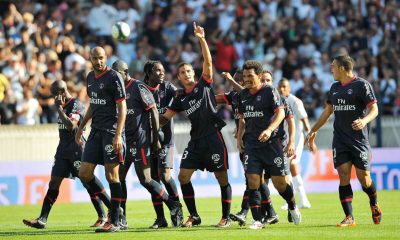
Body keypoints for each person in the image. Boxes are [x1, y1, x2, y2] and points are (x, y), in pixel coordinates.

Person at [160, 22, 232, 228]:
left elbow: (208, 62)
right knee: (183, 177)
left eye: (189, 70)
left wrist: (201, 39)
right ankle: (194, 216)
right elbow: (165, 117)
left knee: (222, 178)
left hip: (213, 137)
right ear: (179, 77)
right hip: (196, 141)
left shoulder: (204, 85)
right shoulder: (179, 97)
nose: (186, 74)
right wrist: (146, 120)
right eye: (182, 72)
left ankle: (225, 217)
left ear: (194, 72)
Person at [23, 80, 111, 229]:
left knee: (88, 182)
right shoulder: (63, 107)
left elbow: (71, 126)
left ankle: (114, 209)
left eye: (53, 95)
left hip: (77, 150)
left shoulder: (76, 105)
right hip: (62, 151)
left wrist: (58, 108)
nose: (53, 99)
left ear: (61, 93)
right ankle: (42, 219)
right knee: (54, 183)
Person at [305, 55, 382, 227]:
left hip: (359, 139)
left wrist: (364, 121)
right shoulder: (334, 88)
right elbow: (327, 112)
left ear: (341, 68)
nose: (330, 69)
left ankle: (374, 202)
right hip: (340, 139)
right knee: (343, 175)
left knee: (365, 179)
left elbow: (374, 109)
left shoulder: (362, 85)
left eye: (332, 66)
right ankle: (349, 217)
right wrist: (312, 130)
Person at [111, 60, 183, 229]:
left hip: (145, 141)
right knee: (118, 179)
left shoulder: (141, 87)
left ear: (125, 71)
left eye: (117, 73)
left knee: (151, 179)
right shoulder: (118, 89)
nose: (114, 77)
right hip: (124, 141)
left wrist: (156, 139)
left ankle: (174, 205)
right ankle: (122, 217)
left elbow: (153, 111)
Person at [237, 60, 301, 230]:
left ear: (259, 76)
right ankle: (257, 220)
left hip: (272, 144)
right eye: (244, 76)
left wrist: (270, 129)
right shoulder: (243, 94)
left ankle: (292, 205)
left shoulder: (269, 91)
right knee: (253, 181)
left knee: (281, 184)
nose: (246, 79)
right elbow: (242, 117)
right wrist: (239, 138)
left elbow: (280, 113)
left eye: (250, 76)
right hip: (251, 144)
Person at [216, 70, 279, 226]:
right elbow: (215, 98)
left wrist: (230, 79)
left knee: (254, 179)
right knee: (254, 179)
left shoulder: (251, 95)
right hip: (245, 143)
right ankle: (269, 212)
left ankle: (247, 212)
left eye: (242, 79)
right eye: (238, 80)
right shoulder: (234, 96)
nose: (241, 82)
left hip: (261, 142)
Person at [75, 46, 127, 233]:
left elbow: (122, 108)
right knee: (84, 173)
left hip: (111, 131)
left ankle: (115, 220)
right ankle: (116, 210)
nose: (99, 61)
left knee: (111, 175)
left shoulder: (114, 77)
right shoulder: (90, 77)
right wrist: (81, 126)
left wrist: (118, 134)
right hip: (96, 131)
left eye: (102, 58)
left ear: (106, 58)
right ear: (90, 58)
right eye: (95, 58)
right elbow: (92, 103)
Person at [142, 60, 182, 228]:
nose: (161, 73)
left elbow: (181, 95)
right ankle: (161, 218)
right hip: (148, 142)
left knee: (165, 175)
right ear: (148, 73)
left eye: (163, 70)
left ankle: (177, 212)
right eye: (157, 71)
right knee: (153, 179)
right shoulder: (141, 90)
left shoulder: (168, 88)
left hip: (166, 140)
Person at [261, 71, 296, 223]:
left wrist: (291, 142)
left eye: (268, 79)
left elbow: (291, 122)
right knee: (262, 180)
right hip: (261, 147)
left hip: (278, 146)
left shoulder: (281, 100)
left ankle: (291, 206)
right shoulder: (255, 99)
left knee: (283, 181)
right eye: (263, 79)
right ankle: (269, 212)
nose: (265, 82)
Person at [278, 78, 312, 209]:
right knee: (289, 168)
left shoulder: (296, 101)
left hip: (296, 140)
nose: (282, 89)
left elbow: (304, 119)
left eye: (284, 86)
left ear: (289, 88)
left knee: (291, 165)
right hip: (283, 140)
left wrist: (310, 135)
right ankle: (301, 200)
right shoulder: (277, 101)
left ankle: (294, 200)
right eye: (280, 87)